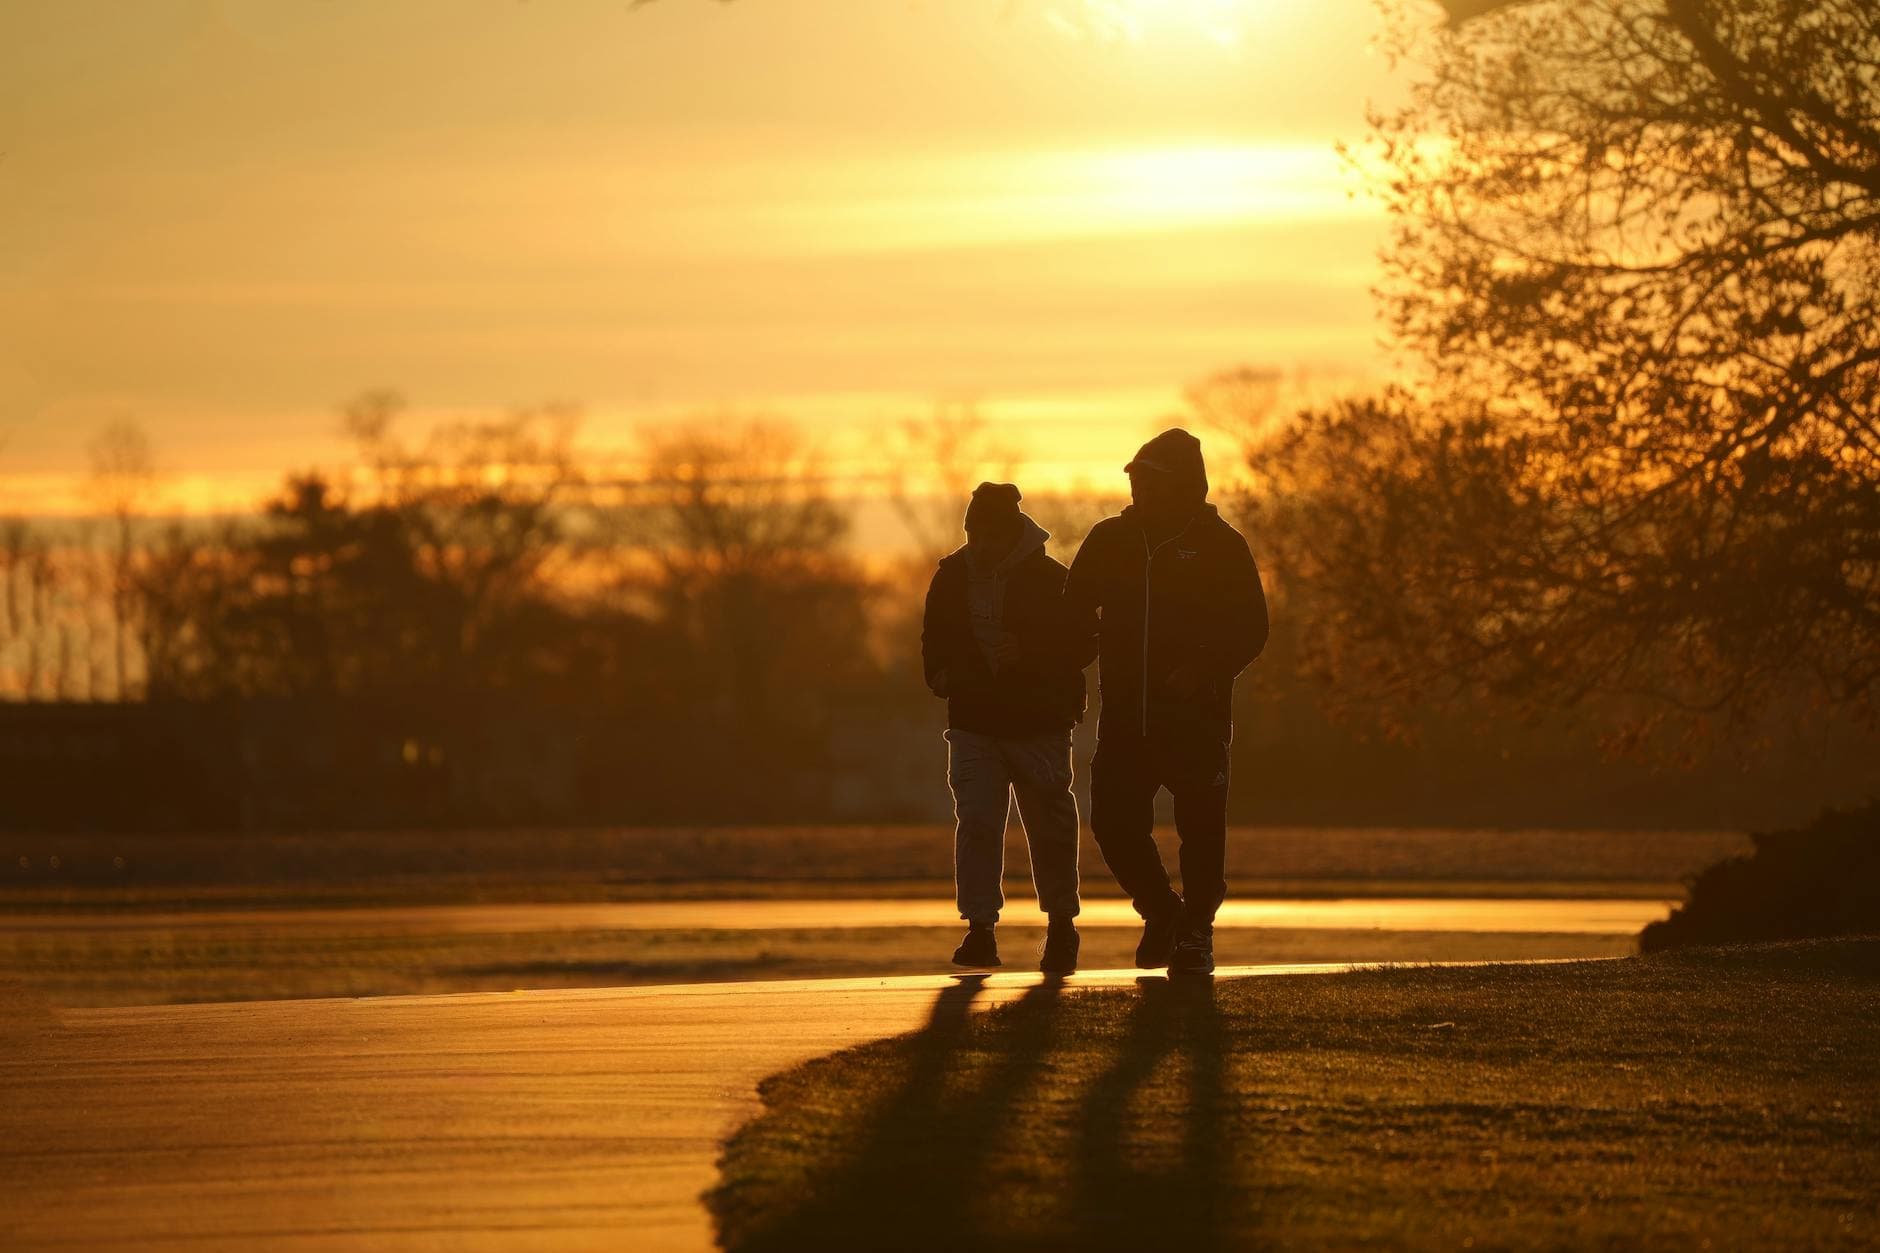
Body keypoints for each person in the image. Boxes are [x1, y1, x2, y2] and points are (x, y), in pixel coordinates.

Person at [1064, 429, 1268, 975]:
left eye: (1151, 481)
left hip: (1196, 721)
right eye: (1135, 480)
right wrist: (1069, 657)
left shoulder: (1223, 545)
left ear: (1186, 486)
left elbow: (1252, 627)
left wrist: (1203, 669)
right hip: (1127, 718)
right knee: (1111, 823)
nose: (1140, 491)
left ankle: (1197, 931)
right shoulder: (1109, 539)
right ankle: (1161, 912)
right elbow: (1074, 613)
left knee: (1202, 832)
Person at [922, 481, 1086, 973]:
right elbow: (934, 637)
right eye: (974, 534)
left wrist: (1028, 654)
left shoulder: (1051, 579)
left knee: (1050, 826)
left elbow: (1082, 644)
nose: (980, 546)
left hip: (1039, 723)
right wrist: (941, 676)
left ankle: (1061, 927)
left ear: (1010, 534)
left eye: (989, 536)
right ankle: (980, 931)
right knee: (976, 823)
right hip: (975, 722)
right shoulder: (951, 576)